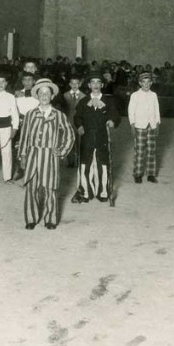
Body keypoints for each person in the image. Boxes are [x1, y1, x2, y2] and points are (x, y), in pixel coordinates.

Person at [17, 77, 75, 230]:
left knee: (50, 188)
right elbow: (24, 136)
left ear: (52, 96)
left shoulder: (59, 115)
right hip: (32, 155)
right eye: (41, 93)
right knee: (32, 188)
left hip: (50, 157)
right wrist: (23, 155)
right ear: (37, 96)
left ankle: (50, 219)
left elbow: (70, 134)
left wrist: (61, 151)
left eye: (47, 93)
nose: (44, 96)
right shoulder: (30, 114)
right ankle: (31, 218)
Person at [72, 70, 120, 205]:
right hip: (87, 137)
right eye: (92, 82)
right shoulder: (83, 101)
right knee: (85, 164)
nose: (96, 85)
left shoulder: (108, 101)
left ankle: (103, 192)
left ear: (102, 85)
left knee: (102, 164)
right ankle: (85, 192)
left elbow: (115, 115)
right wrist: (79, 126)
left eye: (98, 82)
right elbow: (77, 117)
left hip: (102, 137)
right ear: (89, 85)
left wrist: (112, 121)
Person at [127, 71, 161, 184]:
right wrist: (132, 125)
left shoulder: (154, 95)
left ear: (151, 83)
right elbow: (131, 111)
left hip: (152, 125)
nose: (146, 84)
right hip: (139, 126)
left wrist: (157, 124)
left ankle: (151, 174)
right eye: (143, 82)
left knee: (152, 150)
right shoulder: (135, 95)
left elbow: (157, 110)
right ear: (140, 83)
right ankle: (138, 174)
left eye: (148, 82)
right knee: (140, 151)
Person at [60, 75, 85, 168]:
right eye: (72, 83)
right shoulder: (65, 95)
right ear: (69, 84)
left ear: (80, 84)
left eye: (76, 83)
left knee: (79, 141)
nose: (74, 85)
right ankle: (71, 161)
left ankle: (79, 160)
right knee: (69, 140)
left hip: (79, 123)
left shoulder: (84, 96)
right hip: (68, 122)